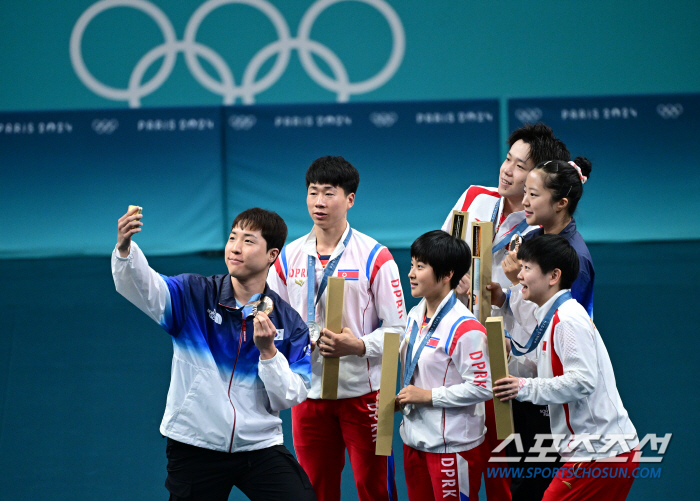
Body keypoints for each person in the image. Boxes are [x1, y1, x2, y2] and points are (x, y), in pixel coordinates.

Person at [112, 206, 315, 501]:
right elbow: (146, 287)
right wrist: (125, 249)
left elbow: (290, 396)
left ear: (272, 254)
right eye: (232, 237)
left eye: (248, 241)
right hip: (196, 443)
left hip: (258, 445)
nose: (235, 247)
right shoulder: (193, 294)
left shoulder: (288, 322)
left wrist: (269, 353)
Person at [441, 122, 571, 500]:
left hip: (509, 364)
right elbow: (439, 254)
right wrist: (453, 278)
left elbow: (543, 312)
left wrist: (509, 289)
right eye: (507, 159)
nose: (506, 170)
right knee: (455, 463)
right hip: (458, 350)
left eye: (518, 166)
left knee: (509, 474)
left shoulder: (543, 234)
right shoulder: (473, 198)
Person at [267, 156, 407, 501]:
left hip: (365, 395)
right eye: (313, 192)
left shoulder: (376, 257)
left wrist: (357, 345)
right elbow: (272, 320)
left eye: (329, 193)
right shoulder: (287, 258)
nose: (319, 202)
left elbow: (399, 330)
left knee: (374, 488)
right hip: (307, 394)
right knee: (314, 489)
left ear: (350, 199)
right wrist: (295, 343)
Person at [493, 235, 638, 501]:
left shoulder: (567, 319)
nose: (519, 275)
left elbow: (582, 381)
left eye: (526, 268)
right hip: (597, 451)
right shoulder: (551, 317)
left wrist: (522, 387)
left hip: (599, 452)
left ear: (553, 276)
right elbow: (548, 371)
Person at [396, 230, 492, 501]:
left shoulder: (465, 328)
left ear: (448, 274)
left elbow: (483, 388)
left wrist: (428, 396)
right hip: (414, 440)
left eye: (420, 267)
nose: (411, 274)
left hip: (452, 448)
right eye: (412, 265)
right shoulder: (415, 315)